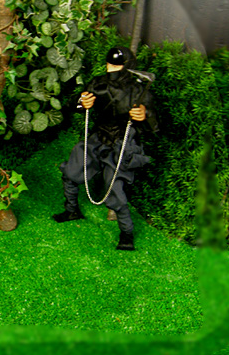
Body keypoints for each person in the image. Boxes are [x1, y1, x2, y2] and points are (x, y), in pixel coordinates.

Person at [52, 46, 158, 251]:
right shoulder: (98, 83)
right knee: (71, 171)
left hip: (122, 142)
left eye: (117, 66)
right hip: (98, 137)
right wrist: (82, 102)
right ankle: (71, 210)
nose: (111, 69)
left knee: (115, 190)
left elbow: (155, 125)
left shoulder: (139, 90)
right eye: (109, 64)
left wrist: (144, 115)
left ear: (127, 67)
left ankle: (126, 233)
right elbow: (76, 103)